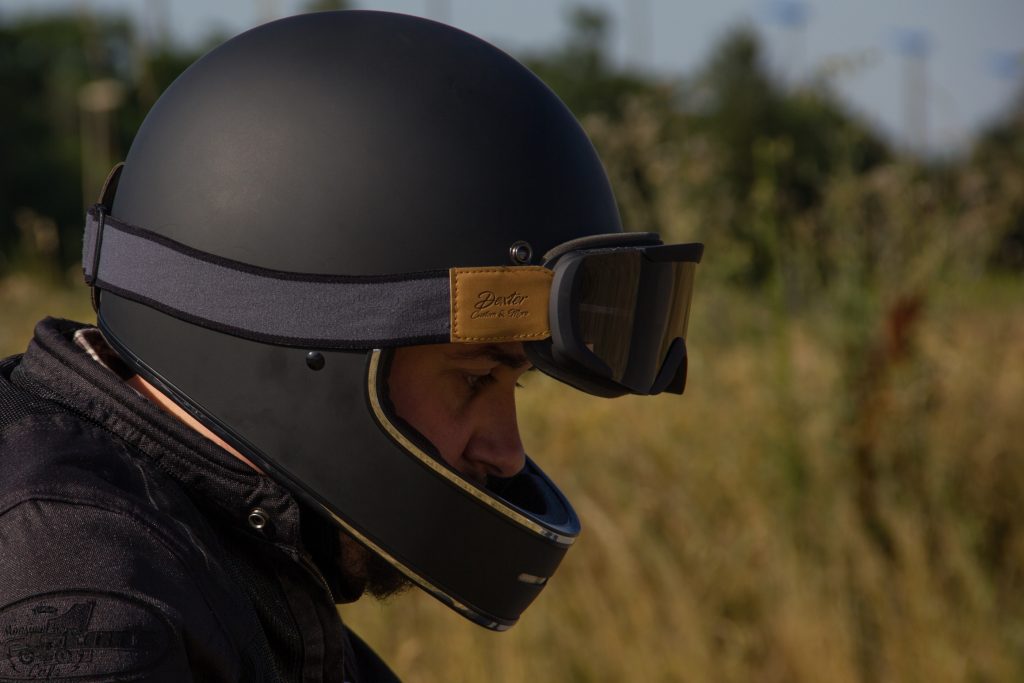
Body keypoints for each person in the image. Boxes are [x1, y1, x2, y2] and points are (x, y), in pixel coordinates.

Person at [0, 10, 702, 682]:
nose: (506, 449)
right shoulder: (80, 581)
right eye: (475, 378)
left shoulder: (234, 553)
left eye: (511, 386)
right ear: (314, 345)